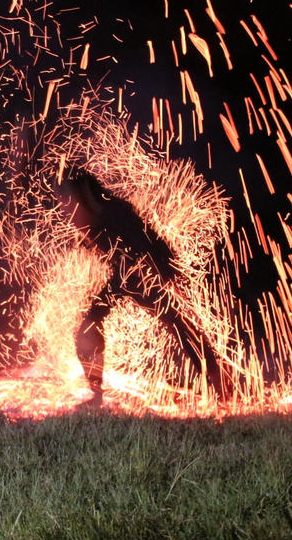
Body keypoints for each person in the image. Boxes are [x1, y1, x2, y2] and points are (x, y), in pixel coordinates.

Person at [58, 166, 228, 407]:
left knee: (177, 325)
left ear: (84, 197)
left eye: (67, 200)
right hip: (125, 276)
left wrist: (170, 273)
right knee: (91, 326)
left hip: (143, 275)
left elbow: (149, 240)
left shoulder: (115, 213)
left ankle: (218, 377)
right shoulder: (94, 219)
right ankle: (95, 389)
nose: (65, 208)